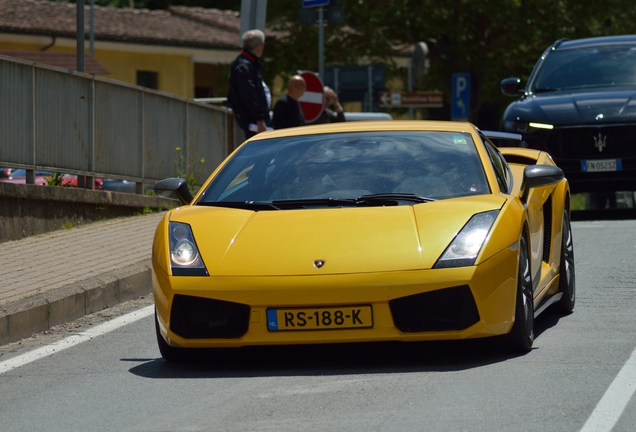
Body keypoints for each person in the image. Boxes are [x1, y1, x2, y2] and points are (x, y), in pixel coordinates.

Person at [227, 29, 270, 140]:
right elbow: (249, 94)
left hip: (251, 119)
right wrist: (260, 119)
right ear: (259, 45)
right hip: (251, 121)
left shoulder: (248, 63)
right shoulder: (244, 66)